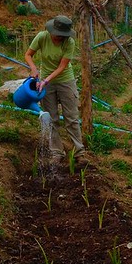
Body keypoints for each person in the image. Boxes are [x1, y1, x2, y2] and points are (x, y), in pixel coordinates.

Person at [24, 15, 85, 160]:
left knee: (71, 117)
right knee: (51, 117)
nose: (59, 37)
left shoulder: (69, 42)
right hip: (46, 81)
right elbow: (28, 55)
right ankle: (57, 151)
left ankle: (79, 151)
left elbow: (62, 66)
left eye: (63, 35)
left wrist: (46, 80)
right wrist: (34, 69)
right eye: (57, 34)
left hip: (65, 80)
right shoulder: (42, 37)